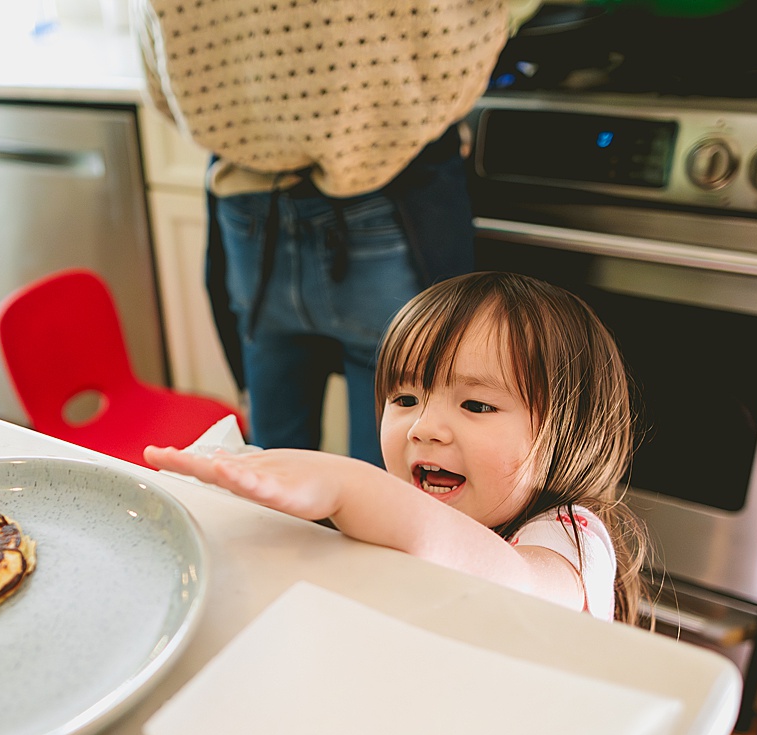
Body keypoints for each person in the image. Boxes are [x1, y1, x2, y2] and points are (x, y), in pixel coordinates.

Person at [133, 0, 544, 467]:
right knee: (393, 470)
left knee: (272, 467)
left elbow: (156, 68)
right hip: (390, 193)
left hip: (252, 209)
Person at [146, 270, 649, 625]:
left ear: (572, 430)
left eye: (475, 405)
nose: (424, 427)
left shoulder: (570, 539)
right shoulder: (434, 507)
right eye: (405, 398)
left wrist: (354, 486)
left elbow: (513, 584)